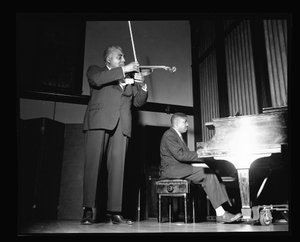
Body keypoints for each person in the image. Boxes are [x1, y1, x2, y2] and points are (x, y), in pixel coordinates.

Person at [81, 45, 148, 225]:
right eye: (120, 57)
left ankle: (115, 212)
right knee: (93, 166)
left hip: (122, 126)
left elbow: (139, 102)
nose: (124, 60)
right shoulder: (96, 70)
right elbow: (96, 80)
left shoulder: (128, 79)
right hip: (98, 121)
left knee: (119, 170)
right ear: (109, 59)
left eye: (124, 58)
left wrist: (142, 86)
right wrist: (124, 70)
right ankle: (88, 210)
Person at [159, 112, 242, 223]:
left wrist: (204, 162)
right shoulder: (169, 134)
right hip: (172, 170)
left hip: (179, 168)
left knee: (213, 172)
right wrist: (203, 154)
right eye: (185, 122)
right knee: (208, 175)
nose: (187, 124)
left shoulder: (177, 135)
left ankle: (226, 209)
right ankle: (221, 214)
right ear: (177, 123)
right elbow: (181, 155)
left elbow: (185, 157)